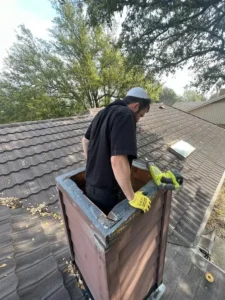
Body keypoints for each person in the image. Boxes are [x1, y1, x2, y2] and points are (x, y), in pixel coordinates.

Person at [82, 87, 151, 215]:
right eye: (140, 115)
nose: (138, 120)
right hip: (106, 193)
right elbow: (118, 159)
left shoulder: (103, 112)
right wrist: (132, 197)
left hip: (90, 185)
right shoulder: (126, 114)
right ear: (135, 106)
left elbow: (85, 141)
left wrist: (91, 164)